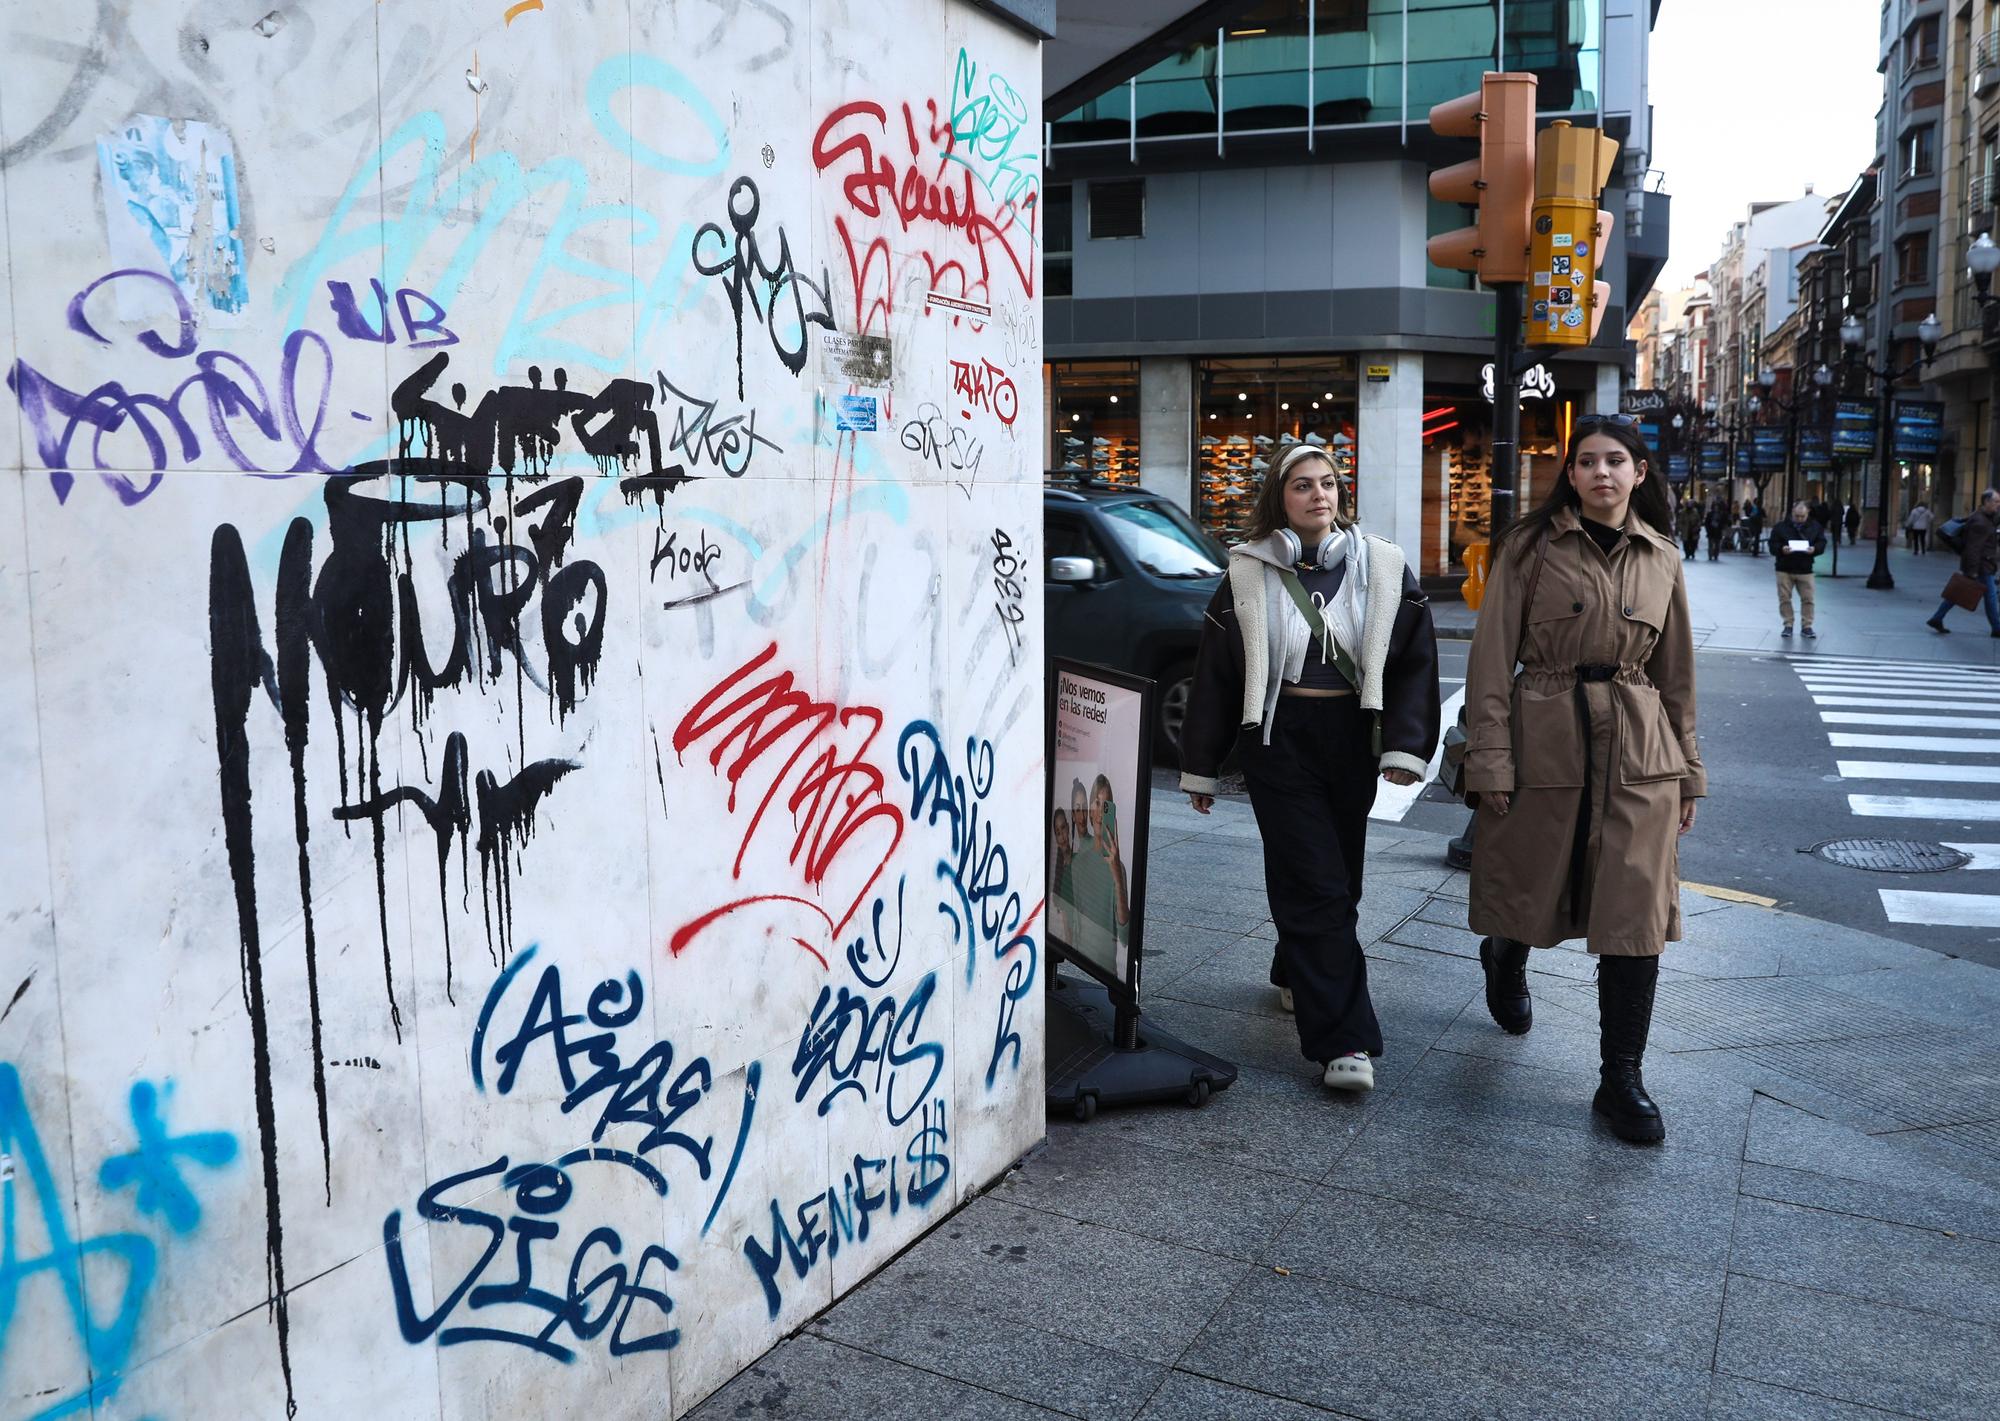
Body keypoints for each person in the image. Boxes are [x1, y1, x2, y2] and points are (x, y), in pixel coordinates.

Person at [1461, 419, 1705, 1144]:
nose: (1602, 472)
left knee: (1635, 917)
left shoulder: (1662, 556)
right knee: (1527, 891)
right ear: (1570, 475)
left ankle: (1620, 1077)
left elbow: (1679, 675)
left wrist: (1689, 773)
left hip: (1639, 749)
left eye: (1615, 461)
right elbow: (1490, 661)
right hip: (1547, 738)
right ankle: (1504, 957)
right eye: (1587, 462)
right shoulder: (1528, 549)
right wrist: (1491, 760)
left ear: (1639, 472)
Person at [1179, 444, 1440, 1094]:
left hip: (1350, 736)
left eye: (1327, 483)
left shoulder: (1382, 566)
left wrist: (1406, 746)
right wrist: (1202, 765)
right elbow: (1215, 672)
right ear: (1280, 499)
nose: (1318, 494)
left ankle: (1296, 967)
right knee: (1318, 882)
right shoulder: (1246, 572)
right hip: (1278, 740)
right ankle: (1343, 1039)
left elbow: (1415, 661)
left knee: (1336, 877)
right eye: (1302, 485)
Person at [1927, 488, 2000, 636]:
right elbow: (1973, 548)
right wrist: (1972, 571)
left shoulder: (1985, 517)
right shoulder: (1980, 522)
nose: (1998, 504)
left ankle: (1937, 617)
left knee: (1959, 591)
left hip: (1981, 564)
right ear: (1986, 502)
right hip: (1981, 565)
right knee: (1990, 597)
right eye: (1996, 501)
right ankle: (1997, 628)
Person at [1768, 502, 1827, 639]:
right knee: (1784, 598)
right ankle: (1788, 624)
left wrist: (1815, 549)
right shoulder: (1780, 527)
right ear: (1792, 514)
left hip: (1805, 568)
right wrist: (1782, 549)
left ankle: (1807, 626)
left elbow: (1821, 543)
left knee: (1808, 599)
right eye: (1797, 516)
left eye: (1802, 516)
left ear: (1808, 514)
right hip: (1784, 568)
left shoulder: (1815, 527)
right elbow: (1772, 545)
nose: (1799, 519)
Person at [1676, 494, 1702, 560]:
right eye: (1689, 504)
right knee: (1686, 543)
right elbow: (1679, 521)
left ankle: (1692, 553)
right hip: (1685, 530)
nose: (1689, 505)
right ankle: (1687, 554)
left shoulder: (1695, 512)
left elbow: (1698, 520)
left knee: (1693, 543)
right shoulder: (1683, 512)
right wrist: (1681, 528)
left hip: (1693, 531)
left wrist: (1697, 527)